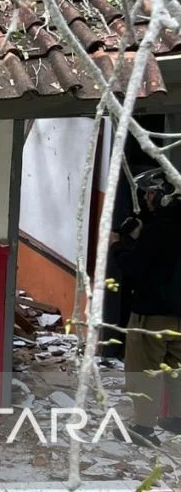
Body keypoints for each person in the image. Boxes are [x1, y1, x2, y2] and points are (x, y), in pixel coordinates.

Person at [112, 170, 181, 447]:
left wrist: (120, 246)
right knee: (176, 368)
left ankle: (144, 428)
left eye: (152, 192)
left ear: (166, 195)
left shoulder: (159, 228)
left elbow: (135, 267)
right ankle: (177, 418)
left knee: (144, 370)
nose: (147, 198)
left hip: (152, 313)